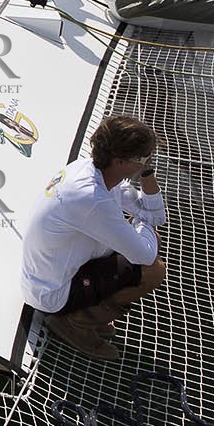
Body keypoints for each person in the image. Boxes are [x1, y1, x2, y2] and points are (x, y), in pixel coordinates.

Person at [21, 114, 167, 360]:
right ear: (120, 161)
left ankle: (87, 310)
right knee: (153, 270)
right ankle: (75, 323)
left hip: (51, 274)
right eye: (142, 159)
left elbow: (156, 215)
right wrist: (144, 222)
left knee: (150, 237)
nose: (145, 163)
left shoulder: (94, 171)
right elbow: (145, 254)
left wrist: (147, 172)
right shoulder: (92, 198)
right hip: (52, 293)